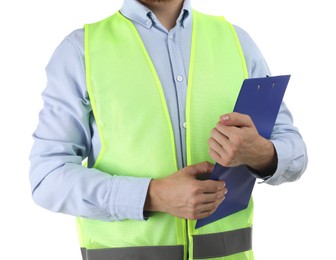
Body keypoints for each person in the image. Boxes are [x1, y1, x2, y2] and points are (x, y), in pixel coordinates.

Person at [29, 0, 308, 259]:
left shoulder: (237, 41)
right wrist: (152, 195)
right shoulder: (80, 50)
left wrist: (261, 153)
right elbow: (47, 177)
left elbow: (294, 149)